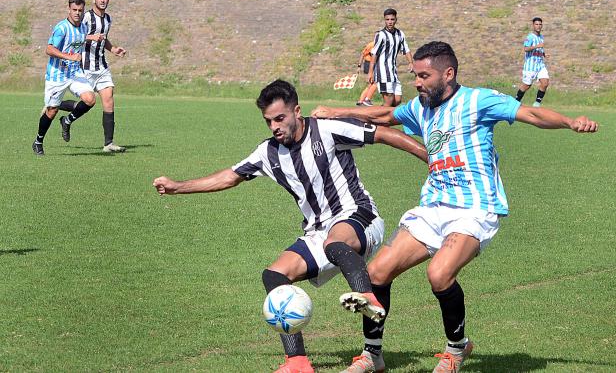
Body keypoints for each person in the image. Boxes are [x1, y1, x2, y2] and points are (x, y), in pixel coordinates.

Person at [312, 41, 597, 372]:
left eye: (424, 76)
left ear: (448, 73)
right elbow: (386, 115)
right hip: (433, 206)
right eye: (415, 75)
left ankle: (456, 349)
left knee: (439, 273)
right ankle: (372, 356)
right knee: (376, 273)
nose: (417, 83)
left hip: (474, 208)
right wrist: (336, 113)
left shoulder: (478, 100)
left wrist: (569, 121)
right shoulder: (422, 106)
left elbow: (531, 113)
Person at [152, 80, 427, 373]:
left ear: (297, 111)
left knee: (336, 243)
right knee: (274, 275)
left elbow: (384, 135)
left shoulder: (327, 128)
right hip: (318, 232)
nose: (274, 126)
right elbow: (229, 177)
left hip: (359, 217)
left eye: (280, 118)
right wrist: (179, 187)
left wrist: (430, 158)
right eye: (269, 121)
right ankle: (297, 361)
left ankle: (367, 297)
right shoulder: (268, 152)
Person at [32, 0, 105, 155]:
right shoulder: (61, 28)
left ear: (83, 10)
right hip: (57, 75)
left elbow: (80, 37)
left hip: (74, 73)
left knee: (90, 99)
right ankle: (38, 141)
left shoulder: (83, 27)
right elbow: (49, 49)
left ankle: (67, 120)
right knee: (51, 111)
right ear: (69, 9)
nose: (77, 13)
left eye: (80, 10)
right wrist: (70, 56)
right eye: (74, 10)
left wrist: (92, 37)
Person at [58, 0, 127, 152]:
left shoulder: (108, 19)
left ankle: (108, 144)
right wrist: (90, 37)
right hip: (85, 67)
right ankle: (63, 115)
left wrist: (113, 49)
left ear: (108, 0)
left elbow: (104, 39)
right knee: (88, 103)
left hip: (101, 66)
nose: (102, 0)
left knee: (109, 99)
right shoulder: (86, 17)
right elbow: (74, 35)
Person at [368, 8, 412, 107]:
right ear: (384, 20)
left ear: (396, 19)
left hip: (393, 72)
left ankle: (377, 115)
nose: (390, 22)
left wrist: (411, 62)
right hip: (383, 72)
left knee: (397, 100)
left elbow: (406, 49)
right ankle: (379, 121)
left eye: (392, 19)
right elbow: (374, 54)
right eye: (387, 20)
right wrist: (370, 72)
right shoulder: (381, 35)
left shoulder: (400, 34)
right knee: (389, 101)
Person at [515, 17, 549, 107]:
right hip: (531, 66)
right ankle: (515, 102)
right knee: (526, 86)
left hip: (540, 65)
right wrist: (537, 46)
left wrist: (544, 54)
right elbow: (526, 49)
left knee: (545, 83)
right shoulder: (530, 37)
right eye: (536, 24)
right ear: (533, 25)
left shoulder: (541, 37)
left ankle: (537, 104)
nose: (538, 26)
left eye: (540, 24)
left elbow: (540, 49)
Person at [356, 40, 377, 106]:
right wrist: (359, 66)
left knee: (371, 84)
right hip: (369, 64)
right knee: (376, 83)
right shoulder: (371, 45)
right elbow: (363, 54)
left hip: (373, 64)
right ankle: (367, 99)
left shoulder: (380, 44)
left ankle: (361, 100)